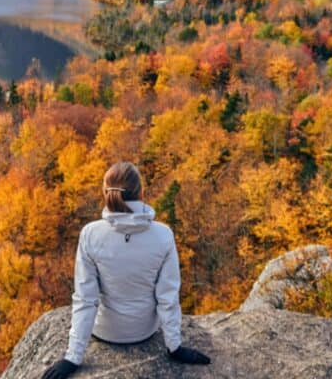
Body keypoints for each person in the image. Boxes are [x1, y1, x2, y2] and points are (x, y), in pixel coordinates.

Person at [42, 162, 211, 379]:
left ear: (106, 193)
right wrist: (175, 346)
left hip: (104, 331)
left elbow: (86, 298)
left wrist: (72, 357)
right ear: (142, 193)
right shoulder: (163, 235)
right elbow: (167, 296)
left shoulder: (90, 234)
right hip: (145, 331)